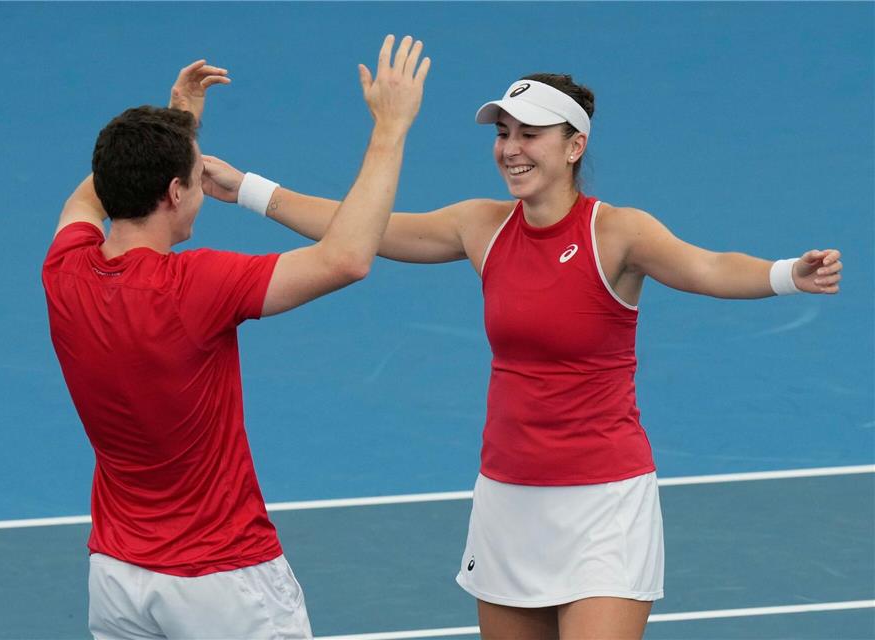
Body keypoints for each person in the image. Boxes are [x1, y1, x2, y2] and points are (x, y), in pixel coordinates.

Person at [215, 74, 844, 638]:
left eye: (531, 134)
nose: (511, 148)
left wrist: (789, 273)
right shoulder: (480, 225)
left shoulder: (618, 232)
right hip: (508, 500)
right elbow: (358, 227)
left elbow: (708, 266)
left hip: (605, 502)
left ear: (574, 146)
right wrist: (245, 187)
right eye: (504, 133)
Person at [42, 36, 430, 640]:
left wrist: (176, 125)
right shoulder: (196, 285)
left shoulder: (64, 269)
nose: (201, 188)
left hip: (117, 579)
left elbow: (91, 192)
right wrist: (391, 127)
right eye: (194, 179)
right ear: (174, 194)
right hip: (223, 583)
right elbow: (348, 258)